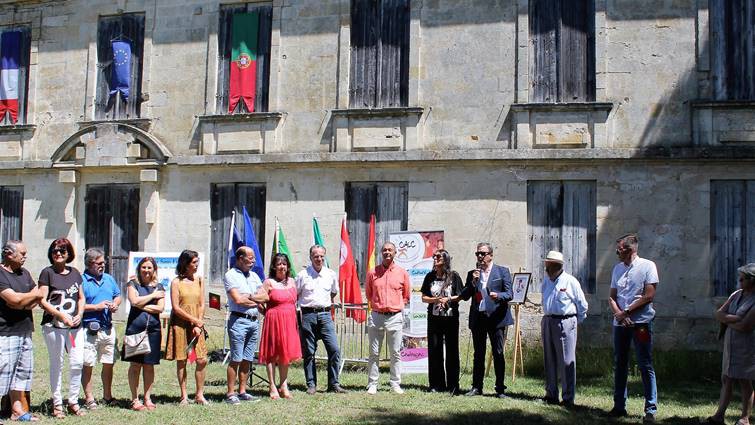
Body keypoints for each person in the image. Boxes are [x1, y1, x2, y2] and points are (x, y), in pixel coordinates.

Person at [608, 233, 659, 423]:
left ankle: (650, 408)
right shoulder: (617, 269)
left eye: (619, 249)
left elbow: (649, 296)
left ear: (630, 249)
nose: (616, 252)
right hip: (620, 325)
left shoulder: (648, 266)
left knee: (645, 363)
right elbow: (612, 296)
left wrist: (627, 312)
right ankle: (619, 405)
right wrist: (619, 315)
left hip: (641, 325)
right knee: (620, 362)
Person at [38, 238, 86, 418]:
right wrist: (61, 316)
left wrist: (79, 314)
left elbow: (81, 297)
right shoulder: (47, 273)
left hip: (73, 329)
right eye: (55, 251)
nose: (58, 253)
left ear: (69, 254)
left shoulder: (75, 273)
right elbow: (42, 300)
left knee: (77, 362)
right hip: (54, 327)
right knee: (57, 363)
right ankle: (57, 403)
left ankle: (73, 401)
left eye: (62, 251)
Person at [460, 242, 512, 398]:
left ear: (491, 255)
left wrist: (499, 296)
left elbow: (510, 294)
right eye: (477, 254)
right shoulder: (473, 274)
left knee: (498, 353)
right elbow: (465, 295)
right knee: (479, 354)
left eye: (483, 254)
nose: (480, 257)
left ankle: (500, 389)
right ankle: (477, 387)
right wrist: (472, 282)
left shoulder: (502, 271)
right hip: (479, 318)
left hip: (496, 318)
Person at [707, 263, 755, 425]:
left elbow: (746, 326)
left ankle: (744, 418)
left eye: (743, 278)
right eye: (739, 277)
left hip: (747, 345)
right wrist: (733, 319)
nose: (739, 280)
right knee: (727, 378)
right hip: (730, 343)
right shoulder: (736, 294)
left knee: (744, 379)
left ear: (752, 280)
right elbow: (719, 313)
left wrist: (728, 321)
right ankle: (719, 416)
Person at [540, 250, 588, 408]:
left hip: (565, 321)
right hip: (548, 320)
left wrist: (573, 322)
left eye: (549, 265)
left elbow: (582, 305)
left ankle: (568, 397)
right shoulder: (546, 281)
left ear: (558, 266)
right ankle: (551, 393)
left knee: (567, 360)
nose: (546, 268)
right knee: (549, 359)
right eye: (546, 265)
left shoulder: (570, 281)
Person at [0, 240, 42, 422]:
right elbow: (14, 299)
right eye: (22, 254)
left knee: (22, 371)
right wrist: (25, 300)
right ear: (9, 254)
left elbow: (37, 297)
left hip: (25, 328)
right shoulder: (0, 274)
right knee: (3, 371)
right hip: (6, 331)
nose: (25, 257)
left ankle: (17, 410)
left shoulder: (24, 273)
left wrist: (23, 301)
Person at [296, 245, 347, 395]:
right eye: (315, 256)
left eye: (321, 256)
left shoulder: (331, 274)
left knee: (334, 350)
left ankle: (334, 383)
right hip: (307, 315)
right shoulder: (302, 275)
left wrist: (323, 306)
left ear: (324, 257)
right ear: (310, 257)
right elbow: (296, 295)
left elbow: (333, 294)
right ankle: (311, 384)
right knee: (309, 352)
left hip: (325, 315)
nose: (319, 259)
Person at [224, 246, 268, 404]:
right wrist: (254, 299)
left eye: (254, 258)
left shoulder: (255, 276)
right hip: (239, 321)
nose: (253, 260)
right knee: (236, 358)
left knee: (247, 359)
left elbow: (265, 297)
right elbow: (238, 300)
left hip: (254, 322)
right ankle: (230, 393)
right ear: (240, 258)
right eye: (250, 258)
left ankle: (242, 391)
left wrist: (251, 297)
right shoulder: (230, 275)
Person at [365, 242, 410, 395]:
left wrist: (396, 307)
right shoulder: (373, 272)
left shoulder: (402, 273)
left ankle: (395, 383)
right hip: (377, 316)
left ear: (395, 252)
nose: (387, 252)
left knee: (395, 352)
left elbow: (406, 295)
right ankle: (372, 383)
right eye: (384, 250)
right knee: (374, 352)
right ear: (381, 253)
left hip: (394, 316)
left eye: (390, 250)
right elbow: (369, 294)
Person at [165, 250, 208, 405]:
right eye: (193, 262)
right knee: (182, 360)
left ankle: (199, 394)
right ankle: (184, 395)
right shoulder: (176, 282)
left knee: (202, 359)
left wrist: (198, 323)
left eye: (197, 262)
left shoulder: (199, 280)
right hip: (181, 324)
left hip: (197, 325)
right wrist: (194, 321)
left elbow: (202, 303)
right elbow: (176, 308)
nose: (196, 266)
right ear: (185, 264)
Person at [81, 248, 121, 409]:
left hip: (108, 328)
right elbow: (77, 306)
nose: (103, 265)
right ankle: (89, 398)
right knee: (88, 364)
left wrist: (115, 304)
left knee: (108, 363)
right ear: (90, 264)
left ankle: (107, 396)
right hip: (88, 329)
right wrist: (96, 307)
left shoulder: (109, 279)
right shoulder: (81, 281)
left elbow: (117, 295)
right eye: (99, 263)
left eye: (103, 262)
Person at [259, 253, 302, 399]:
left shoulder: (292, 281)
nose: (282, 266)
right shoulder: (268, 282)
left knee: (285, 353)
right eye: (279, 264)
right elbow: (259, 299)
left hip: (289, 321)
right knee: (272, 354)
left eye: (284, 264)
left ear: (287, 266)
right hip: (273, 320)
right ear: (274, 266)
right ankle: (272, 386)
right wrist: (266, 312)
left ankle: (284, 385)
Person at [420, 249, 463, 394]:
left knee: (452, 351)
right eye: (434, 256)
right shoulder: (429, 276)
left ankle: (453, 385)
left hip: (450, 319)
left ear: (445, 259)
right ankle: (436, 384)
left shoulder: (454, 276)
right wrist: (436, 300)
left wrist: (448, 299)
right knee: (434, 350)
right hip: (434, 318)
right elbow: (424, 297)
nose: (435, 258)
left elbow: (460, 295)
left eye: (438, 256)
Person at [125, 257, 165, 411]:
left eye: (149, 267)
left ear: (154, 269)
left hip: (153, 330)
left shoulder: (159, 287)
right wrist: (152, 297)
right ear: (139, 268)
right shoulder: (133, 284)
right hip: (136, 328)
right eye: (144, 267)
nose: (146, 270)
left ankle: (147, 398)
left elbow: (160, 309)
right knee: (135, 365)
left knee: (149, 365)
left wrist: (141, 304)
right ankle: (135, 399)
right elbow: (133, 301)